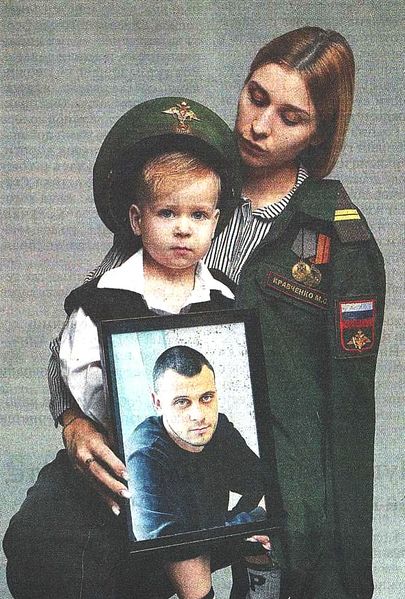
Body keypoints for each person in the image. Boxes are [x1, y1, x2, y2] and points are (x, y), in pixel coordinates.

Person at [4, 26, 386, 599]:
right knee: (43, 546)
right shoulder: (181, 180)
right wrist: (72, 422)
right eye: (256, 97)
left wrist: (343, 567)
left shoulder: (335, 237)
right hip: (155, 437)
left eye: (291, 117)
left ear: (319, 132)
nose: (259, 127)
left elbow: (349, 417)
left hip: (265, 465)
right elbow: (87, 327)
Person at [4, 96, 274, 599]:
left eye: (198, 215)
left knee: (236, 515)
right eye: (167, 213)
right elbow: (77, 374)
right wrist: (92, 421)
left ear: (215, 222)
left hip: (197, 448)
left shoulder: (224, 297)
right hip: (122, 447)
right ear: (136, 219)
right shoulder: (103, 298)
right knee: (56, 547)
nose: (183, 227)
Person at [127, 345, 266, 540]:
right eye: (182, 402)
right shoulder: (146, 453)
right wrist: (248, 522)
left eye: (206, 398)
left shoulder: (219, 429)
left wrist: (236, 526)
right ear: (157, 403)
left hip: (212, 543)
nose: (199, 415)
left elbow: (261, 481)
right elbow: (166, 547)